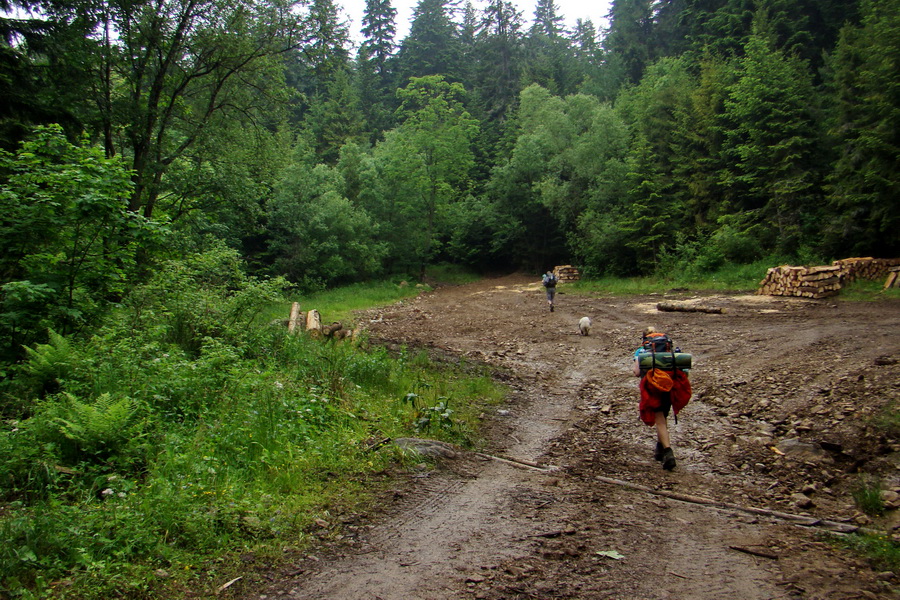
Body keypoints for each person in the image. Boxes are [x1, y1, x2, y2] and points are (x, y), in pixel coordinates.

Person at [633, 326, 691, 471]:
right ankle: (659, 449)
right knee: (663, 418)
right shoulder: (669, 351)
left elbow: (636, 372)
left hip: (653, 388)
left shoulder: (642, 351)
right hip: (669, 387)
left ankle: (668, 451)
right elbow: (684, 370)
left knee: (659, 421)